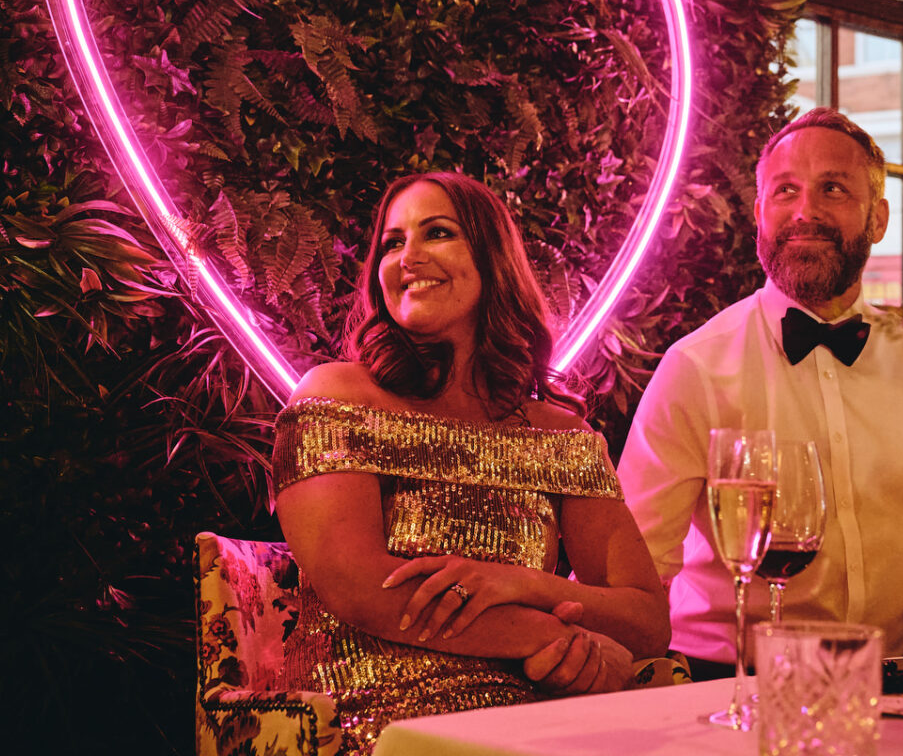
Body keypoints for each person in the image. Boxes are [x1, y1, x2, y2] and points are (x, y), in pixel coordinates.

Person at [618, 108, 903, 669]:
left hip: (886, 683)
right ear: (760, 214)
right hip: (723, 682)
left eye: (832, 189)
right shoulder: (697, 368)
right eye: (785, 191)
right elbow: (633, 566)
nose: (805, 212)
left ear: (878, 219)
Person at [274, 171, 670, 753]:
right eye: (391, 242)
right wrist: (552, 637)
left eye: (437, 232)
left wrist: (523, 583)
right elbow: (360, 588)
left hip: (543, 725)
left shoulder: (561, 435)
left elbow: (647, 622)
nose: (408, 257)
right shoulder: (336, 396)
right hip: (379, 725)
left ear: (493, 260)